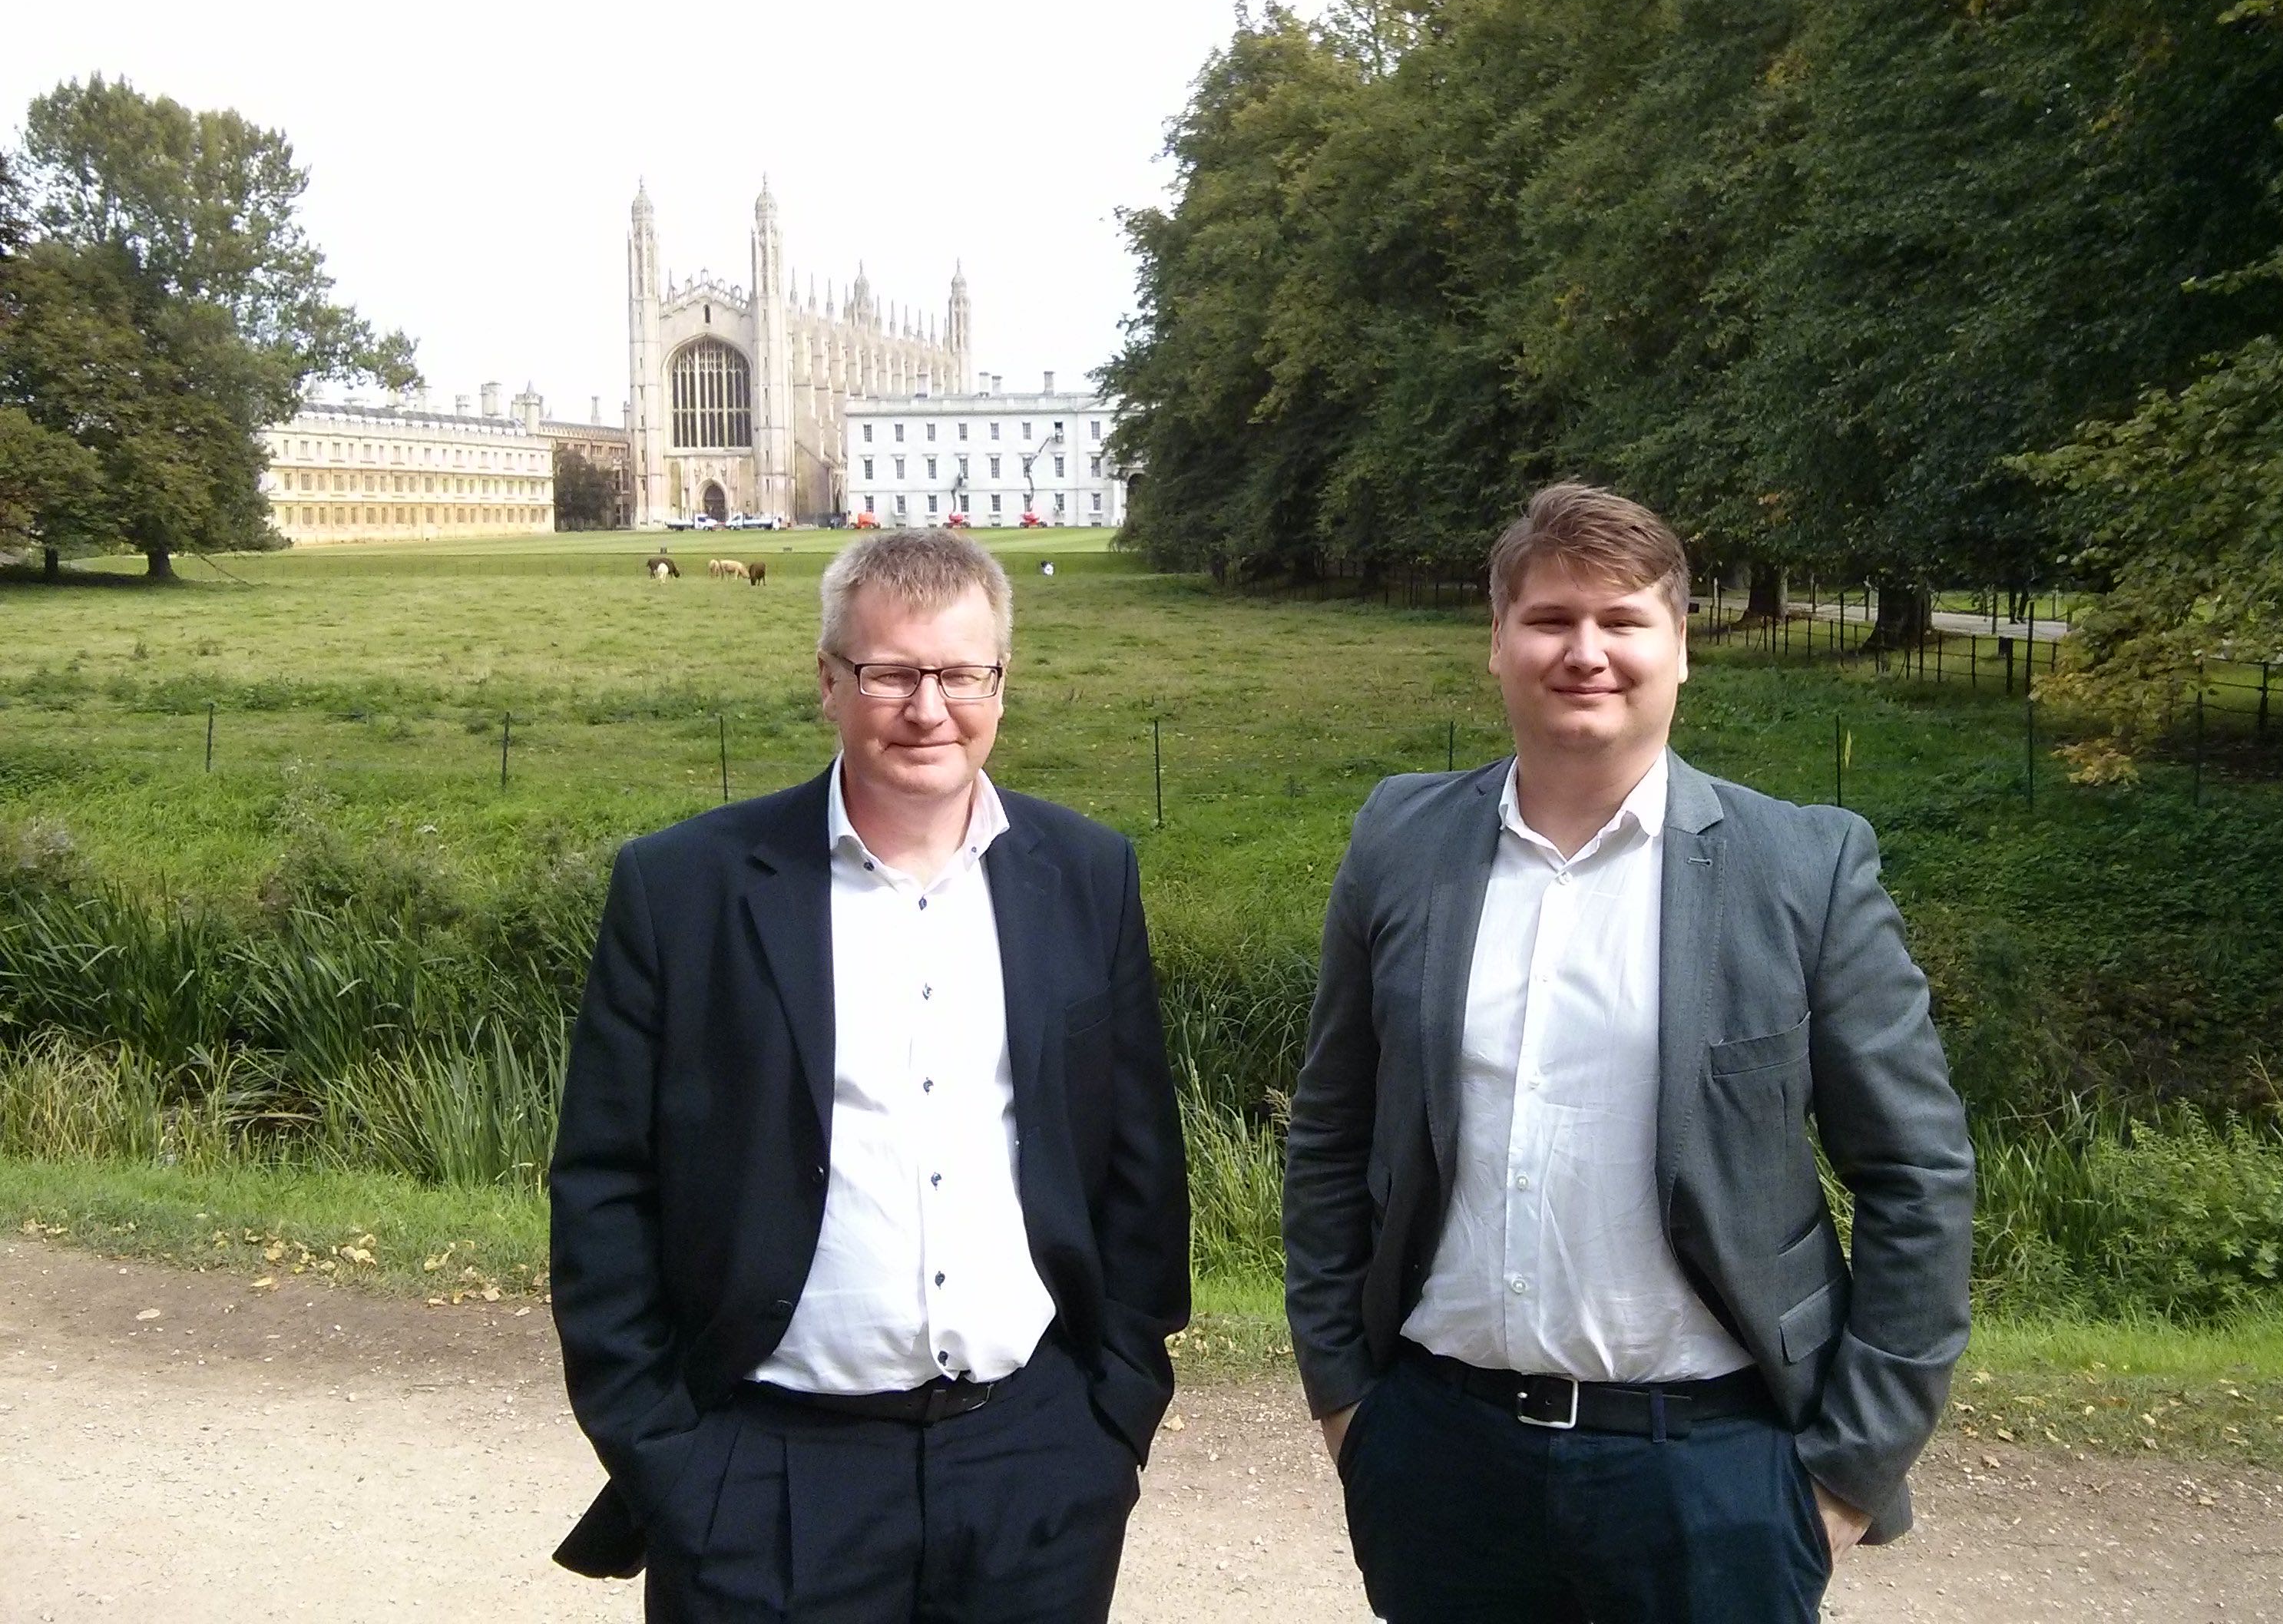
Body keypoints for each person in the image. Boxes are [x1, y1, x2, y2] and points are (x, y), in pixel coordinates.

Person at [1284, 485, 1973, 1623]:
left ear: (1681, 648)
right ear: (1498, 644)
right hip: (1440, 1463)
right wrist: (1350, 1406)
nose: (1585, 651)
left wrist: (1844, 1477)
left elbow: (1919, 1176)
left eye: (1623, 621)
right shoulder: (1400, 842)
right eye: (1550, 619)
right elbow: (1330, 1131)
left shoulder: (1803, 870)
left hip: (1716, 1476)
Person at [550, 528, 1189, 1622]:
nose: (927, 709)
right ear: (830, 682)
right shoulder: (685, 887)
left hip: (1031, 1465)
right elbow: (605, 1184)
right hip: (768, 1471)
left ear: (1001, 683)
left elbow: (1137, 1160)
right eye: (891, 673)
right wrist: (673, 1461)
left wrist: (1109, 1418)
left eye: (960, 675)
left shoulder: (1086, 873)